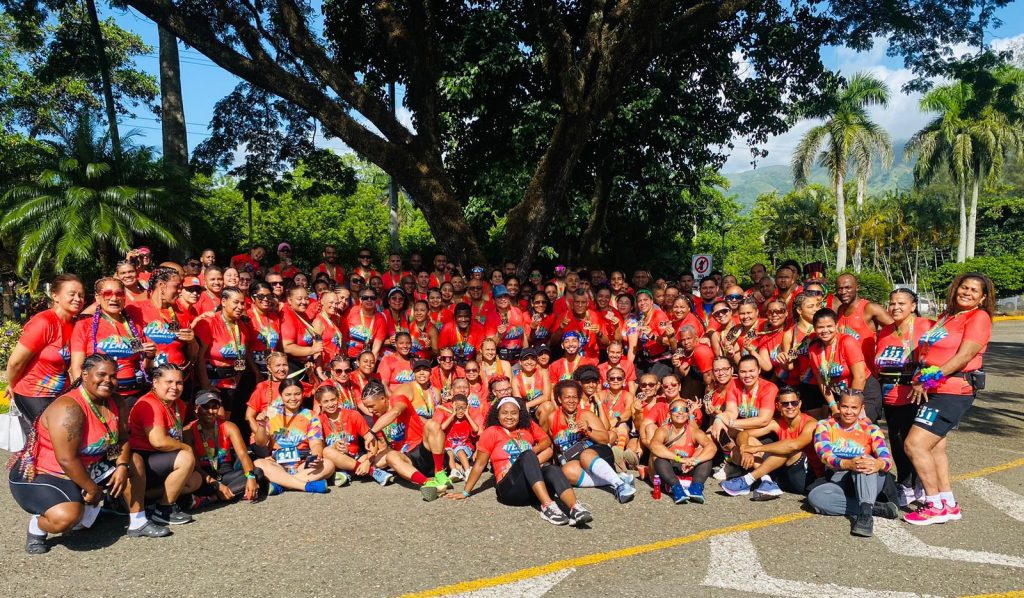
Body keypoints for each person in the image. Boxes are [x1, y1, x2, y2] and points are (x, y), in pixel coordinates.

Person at [8, 355, 162, 554]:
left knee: (135, 461)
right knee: (67, 518)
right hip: (46, 473)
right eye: (101, 375)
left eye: (113, 376)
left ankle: (138, 521)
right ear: (85, 374)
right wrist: (93, 490)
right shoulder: (69, 408)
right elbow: (67, 459)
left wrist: (122, 465)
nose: (108, 380)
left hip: (87, 466)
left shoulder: (116, 401)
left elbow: (123, 438)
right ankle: (37, 526)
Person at [903, 273, 994, 525]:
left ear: (982, 298)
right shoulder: (948, 316)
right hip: (935, 389)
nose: (967, 292)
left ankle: (933, 505)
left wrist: (929, 378)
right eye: (964, 287)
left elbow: (964, 357)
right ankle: (948, 503)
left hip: (952, 391)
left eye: (974, 290)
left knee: (915, 445)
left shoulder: (978, 317)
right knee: (936, 447)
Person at [448, 397, 593, 526]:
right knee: (527, 455)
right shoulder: (491, 432)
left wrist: (533, 452)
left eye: (514, 413)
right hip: (510, 490)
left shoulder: (527, 427)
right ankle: (548, 506)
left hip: (533, 491)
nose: (509, 417)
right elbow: (479, 464)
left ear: (520, 414)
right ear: (497, 415)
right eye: (504, 413)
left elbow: (546, 440)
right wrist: (465, 492)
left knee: (553, 469)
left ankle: (575, 508)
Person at [808, 390, 898, 538]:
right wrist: (847, 464)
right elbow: (824, 455)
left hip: (868, 479)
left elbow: (887, 460)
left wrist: (878, 464)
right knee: (816, 497)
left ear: (862, 408)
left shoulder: (871, 429)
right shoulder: (825, 425)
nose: (849, 412)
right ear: (838, 406)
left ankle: (865, 517)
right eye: (845, 407)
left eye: (854, 408)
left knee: (864, 460)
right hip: (839, 479)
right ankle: (875, 508)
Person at [875, 288, 934, 505]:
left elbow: (938, 359)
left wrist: (926, 382)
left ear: (913, 306)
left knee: (916, 444)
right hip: (890, 396)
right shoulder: (884, 331)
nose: (895, 307)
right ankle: (906, 484)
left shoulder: (926, 326)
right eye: (892, 303)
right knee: (897, 442)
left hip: (917, 395)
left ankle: (921, 485)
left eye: (901, 303)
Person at [6, 274, 85, 437]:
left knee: (66, 438)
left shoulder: (74, 324)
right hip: (33, 393)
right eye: (72, 294)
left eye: (81, 295)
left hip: (60, 393)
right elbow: (15, 363)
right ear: (55, 296)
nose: (78, 299)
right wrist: (12, 385)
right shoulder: (44, 322)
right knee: (50, 438)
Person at [538, 380, 637, 503]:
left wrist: (588, 430)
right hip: (573, 459)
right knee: (567, 471)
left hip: (596, 454)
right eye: (567, 397)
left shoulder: (586, 415)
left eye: (575, 397)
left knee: (585, 455)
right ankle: (618, 478)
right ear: (559, 399)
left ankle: (619, 485)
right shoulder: (552, 418)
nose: (571, 400)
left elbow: (605, 438)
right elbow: (551, 442)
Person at [127, 364, 202, 526]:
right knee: (186, 458)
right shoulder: (149, 404)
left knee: (195, 480)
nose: (174, 387)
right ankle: (164, 509)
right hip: (142, 461)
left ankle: (144, 498)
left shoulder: (178, 404)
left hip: (160, 460)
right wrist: (186, 448)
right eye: (169, 382)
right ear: (155, 382)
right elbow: (159, 441)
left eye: (179, 383)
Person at [721, 387, 823, 499]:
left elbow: (794, 445)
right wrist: (745, 450)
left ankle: (747, 480)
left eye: (794, 403)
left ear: (799, 404)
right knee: (745, 444)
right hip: (783, 473)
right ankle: (767, 481)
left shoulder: (811, 423)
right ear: (778, 406)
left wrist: (756, 449)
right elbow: (743, 434)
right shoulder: (777, 423)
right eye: (785, 404)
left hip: (805, 478)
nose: (790, 406)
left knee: (787, 449)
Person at [359, 380, 452, 501]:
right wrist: (369, 461)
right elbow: (385, 447)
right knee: (389, 456)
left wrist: (372, 432)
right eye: (367, 407)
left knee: (432, 424)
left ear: (383, 399)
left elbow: (396, 412)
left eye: (371, 406)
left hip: (424, 449)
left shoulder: (398, 399)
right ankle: (429, 484)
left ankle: (439, 473)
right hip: (409, 460)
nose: (370, 411)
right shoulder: (377, 417)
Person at [70, 278, 155, 409]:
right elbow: (77, 367)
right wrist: (85, 398)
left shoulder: (135, 327)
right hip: (100, 396)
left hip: (134, 395)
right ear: (97, 298)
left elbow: (143, 366)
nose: (114, 298)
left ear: (124, 297)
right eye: (107, 294)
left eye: (119, 293)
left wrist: (149, 356)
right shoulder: (84, 326)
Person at [250, 378, 335, 494]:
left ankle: (281, 485)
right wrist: (261, 426)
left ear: (303, 394)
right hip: (277, 464)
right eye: (288, 395)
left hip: (302, 464)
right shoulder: (271, 413)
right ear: (281, 395)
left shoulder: (310, 415)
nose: (293, 398)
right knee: (258, 463)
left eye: (297, 394)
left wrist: (316, 457)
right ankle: (305, 486)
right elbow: (260, 442)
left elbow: (315, 443)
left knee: (328, 465)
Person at [186, 390, 263, 509]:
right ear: (196, 408)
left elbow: (243, 454)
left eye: (215, 407)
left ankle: (212, 499)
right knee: (195, 482)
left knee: (257, 473)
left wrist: (250, 477)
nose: (211, 411)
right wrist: (217, 485)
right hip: (205, 476)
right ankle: (235, 492)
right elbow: (196, 467)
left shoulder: (229, 426)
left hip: (226, 472)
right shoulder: (188, 431)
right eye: (205, 407)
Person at [195, 287, 257, 422]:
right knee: (216, 421)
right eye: (236, 302)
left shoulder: (242, 326)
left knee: (225, 423)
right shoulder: (208, 323)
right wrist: (206, 386)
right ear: (223, 301)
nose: (240, 307)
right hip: (211, 382)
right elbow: (199, 357)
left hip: (231, 385)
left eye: (242, 303)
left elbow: (242, 356)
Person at [808, 308, 881, 422]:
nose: (825, 330)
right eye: (820, 327)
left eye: (829, 326)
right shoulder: (813, 349)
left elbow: (860, 377)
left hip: (863, 391)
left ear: (836, 325)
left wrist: (851, 405)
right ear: (814, 328)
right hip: (841, 395)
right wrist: (833, 406)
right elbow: (820, 380)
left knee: (861, 426)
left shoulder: (847, 341)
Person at [314, 385, 394, 487]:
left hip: (356, 457)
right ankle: (372, 472)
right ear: (320, 403)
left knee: (388, 455)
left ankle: (348, 473)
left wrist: (368, 462)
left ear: (338, 399)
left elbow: (371, 440)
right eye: (326, 401)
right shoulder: (318, 420)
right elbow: (318, 449)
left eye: (333, 400)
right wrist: (333, 446)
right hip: (334, 460)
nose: (330, 404)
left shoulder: (353, 415)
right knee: (327, 451)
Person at [126, 267, 197, 370]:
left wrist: (192, 342)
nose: (180, 291)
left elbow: (193, 356)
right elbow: (129, 345)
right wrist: (144, 352)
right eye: (177, 286)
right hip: (149, 374)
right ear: (162, 286)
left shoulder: (180, 312)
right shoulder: (136, 310)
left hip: (179, 374)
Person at [648, 398, 718, 504]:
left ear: (688, 414)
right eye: (676, 409)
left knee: (706, 457)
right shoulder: (663, 430)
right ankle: (676, 488)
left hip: (687, 468)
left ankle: (696, 488)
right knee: (657, 457)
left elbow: (712, 447)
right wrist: (680, 459)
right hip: (668, 470)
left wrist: (696, 461)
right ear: (670, 414)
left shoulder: (694, 431)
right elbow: (654, 446)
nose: (680, 412)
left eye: (684, 410)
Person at [833, 273, 894, 361]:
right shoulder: (840, 309)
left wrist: (882, 348)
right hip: (845, 367)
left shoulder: (870, 308)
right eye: (839, 289)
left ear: (857, 288)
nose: (843, 292)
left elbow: (896, 331)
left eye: (847, 288)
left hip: (867, 368)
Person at [280, 284, 324, 376]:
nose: (304, 302)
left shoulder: (303, 314)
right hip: (292, 366)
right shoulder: (287, 316)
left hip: (305, 364)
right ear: (289, 300)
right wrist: (312, 350)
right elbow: (287, 347)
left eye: (306, 298)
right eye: (299, 299)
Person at [552, 288, 607, 360]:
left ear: (587, 303)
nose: (580, 305)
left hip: (591, 360)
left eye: (583, 302)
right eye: (577, 302)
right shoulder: (564, 316)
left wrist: (599, 333)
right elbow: (553, 342)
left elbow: (607, 343)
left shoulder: (595, 316)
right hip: (570, 360)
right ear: (572, 303)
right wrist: (560, 328)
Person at [438, 394, 481, 481]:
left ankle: (468, 471)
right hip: (452, 451)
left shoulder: (467, 421)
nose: (460, 411)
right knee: (448, 451)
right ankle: (455, 471)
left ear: (467, 408)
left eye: (463, 408)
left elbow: (476, 429)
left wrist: (467, 414)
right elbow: (442, 427)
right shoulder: (449, 420)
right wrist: (453, 414)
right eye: (457, 408)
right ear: (453, 407)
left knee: (459, 449)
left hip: (465, 450)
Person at [246, 282, 282, 375]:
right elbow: (245, 349)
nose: (265, 299)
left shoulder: (274, 317)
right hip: (253, 370)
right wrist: (256, 373)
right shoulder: (247, 317)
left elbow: (279, 346)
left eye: (269, 296)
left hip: (273, 368)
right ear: (253, 298)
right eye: (261, 296)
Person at [345, 286, 386, 361]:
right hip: (347, 356)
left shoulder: (380, 319)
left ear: (376, 300)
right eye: (365, 298)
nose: (369, 300)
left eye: (372, 298)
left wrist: (370, 365)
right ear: (360, 300)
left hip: (365, 360)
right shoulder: (352, 311)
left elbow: (376, 350)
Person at [493, 284, 529, 362]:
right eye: (499, 297)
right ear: (494, 300)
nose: (503, 299)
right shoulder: (491, 317)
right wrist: (499, 335)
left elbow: (523, 336)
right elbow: (489, 346)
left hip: (518, 357)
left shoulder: (517, 311)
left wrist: (526, 355)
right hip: (501, 359)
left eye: (505, 296)